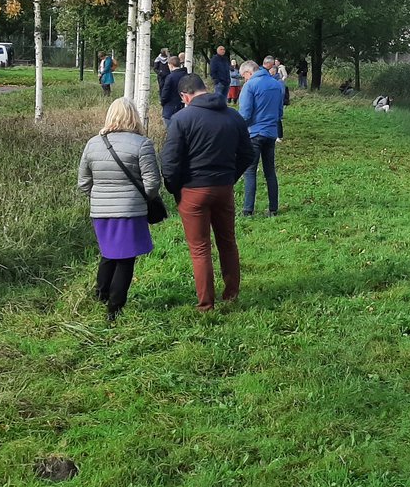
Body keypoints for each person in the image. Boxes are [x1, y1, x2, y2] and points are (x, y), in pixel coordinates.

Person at [161, 74, 255, 312]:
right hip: (223, 187)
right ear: (205, 88)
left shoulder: (181, 119)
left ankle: (206, 304)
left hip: (193, 190)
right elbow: (248, 154)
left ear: (184, 96)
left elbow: (170, 163)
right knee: (228, 242)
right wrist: (230, 177)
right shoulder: (233, 116)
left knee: (200, 248)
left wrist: (175, 189)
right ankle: (231, 295)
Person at [77, 98, 159, 322]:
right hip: (130, 210)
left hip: (100, 211)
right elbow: (152, 183)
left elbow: (83, 183)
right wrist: (141, 199)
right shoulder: (142, 144)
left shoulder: (93, 144)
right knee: (126, 259)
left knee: (108, 253)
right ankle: (114, 308)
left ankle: (100, 295)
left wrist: (99, 198)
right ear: (134, 117)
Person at [238, 58, 284, 217]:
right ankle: (273, 208)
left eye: (244, 76)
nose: (244, 79)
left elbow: (245, 114)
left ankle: (248, 210)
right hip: (271, 133)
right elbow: (280, 112)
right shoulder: (276, 84)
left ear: (248, 72)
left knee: (250, 171)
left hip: (254, 133)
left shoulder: (250, 86)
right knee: (270, 171)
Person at [159, 55, 186, 125]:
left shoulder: (170, 77)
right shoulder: (185, 75)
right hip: (183, 106)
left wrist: (162, 102)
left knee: (170, 127)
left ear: (171, 65)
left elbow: (165, 92)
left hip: (170, 108)